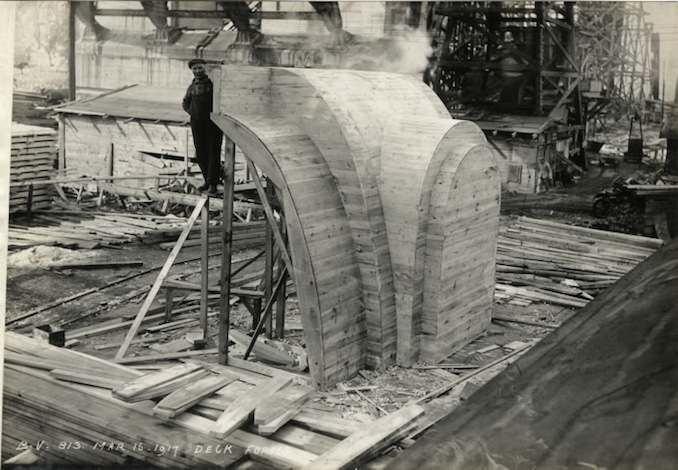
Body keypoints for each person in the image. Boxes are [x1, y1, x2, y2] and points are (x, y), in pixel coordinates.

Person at [182, 58, 223, 195]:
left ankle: (213, 184)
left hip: (212, 124)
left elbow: (220, 100)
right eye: (194, 69)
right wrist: (192, 113)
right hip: (197, 124)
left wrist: (214, 116)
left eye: (199, 68)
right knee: (201, 153)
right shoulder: (192, 87)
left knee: (213, 153)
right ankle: (206, 180)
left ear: (204, 69)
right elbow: (185, 103)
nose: (197, 71)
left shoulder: (212, 84)